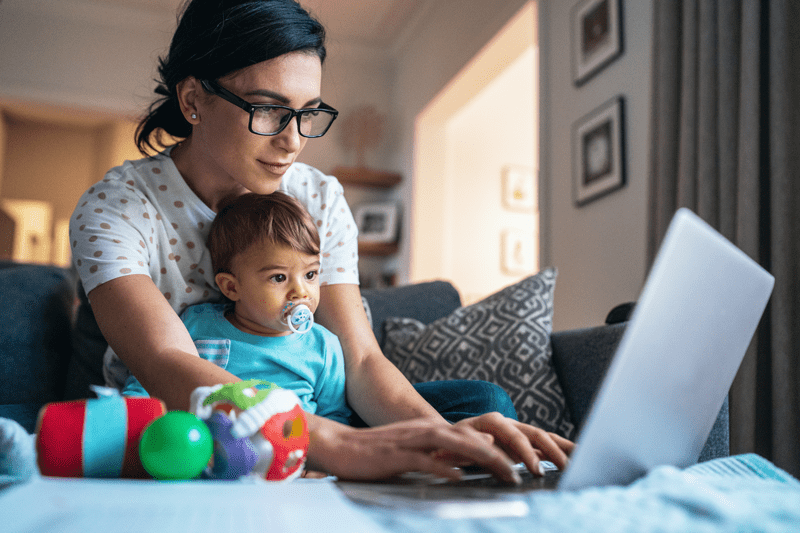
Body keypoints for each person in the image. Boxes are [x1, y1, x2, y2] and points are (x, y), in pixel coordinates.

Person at [69, 0, 573, 483]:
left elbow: (360, 360)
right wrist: (339, 444)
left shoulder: (319, 195)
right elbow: (167, 362)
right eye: (267, 109)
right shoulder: (117, 207)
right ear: (192, 100)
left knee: (482, 409)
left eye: (306, 113)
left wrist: (439, 436)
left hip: (313, 403)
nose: (292, 141)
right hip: (184, 417)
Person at [123, 191, 353, 426]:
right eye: (279, 277)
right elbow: (149, 381)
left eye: (310, 274)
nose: (301, 292)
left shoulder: (324, 347)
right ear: (231, 287)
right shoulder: (197, 323)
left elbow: (335, 420)